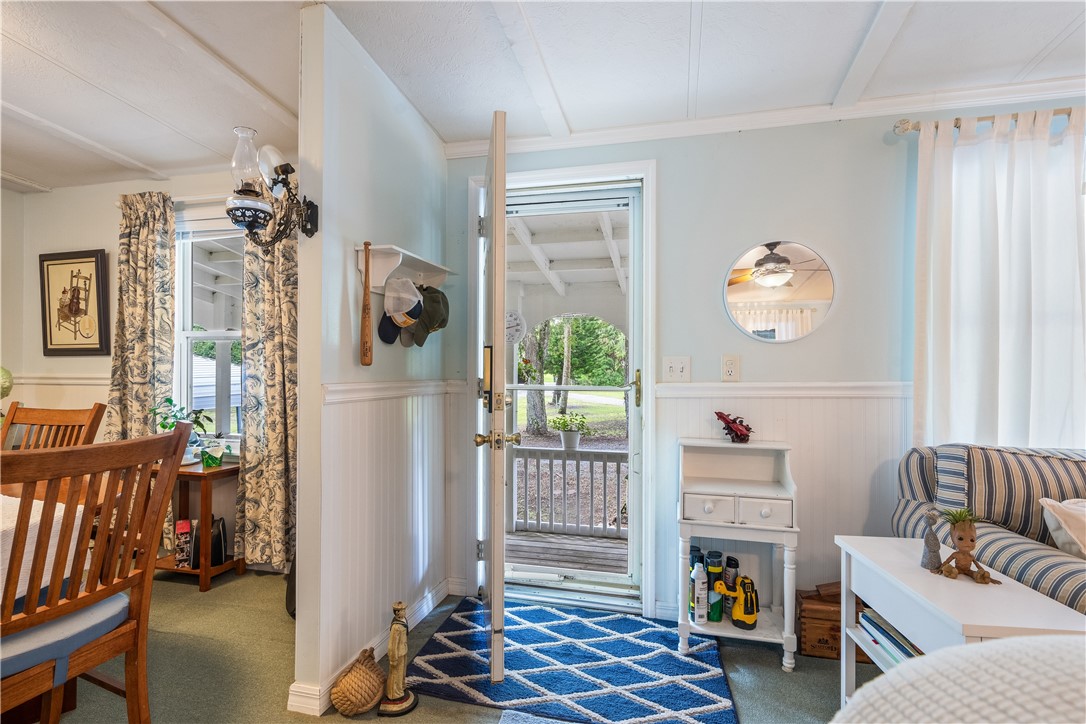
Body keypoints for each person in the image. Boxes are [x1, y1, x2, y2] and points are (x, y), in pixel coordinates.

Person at [379, 601, 418, 716]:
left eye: (405, 610)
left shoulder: (403, 621)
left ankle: (400, 688)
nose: (405, 612)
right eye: (403, 610)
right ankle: (394, 694)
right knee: (395, 673)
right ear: (397, 613)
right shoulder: (396, 627)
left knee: (401, 672)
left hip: (403, 650)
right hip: (397, 654)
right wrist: (393, 658)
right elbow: (392, 645)